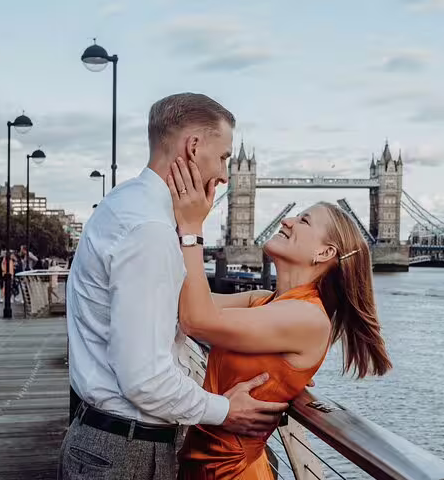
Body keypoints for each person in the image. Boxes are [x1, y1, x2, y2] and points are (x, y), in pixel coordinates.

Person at [58, 93, 287, 480]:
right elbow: (145, 378)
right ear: (194, 147)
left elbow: (172, 304)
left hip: (107, 440)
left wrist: (253, 300)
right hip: (127, 454)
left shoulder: (126, 202)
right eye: (224, 158)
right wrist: (226, 411)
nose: (226, 176)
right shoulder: (149, 231)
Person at [167, 159, 393, 478]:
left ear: (324, 253)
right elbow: (182, 302)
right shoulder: (264, 300)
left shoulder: (307, 318)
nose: (286, 220)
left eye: (304, 220)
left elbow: (196, 320)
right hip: (198, 465)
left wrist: (191, 229)